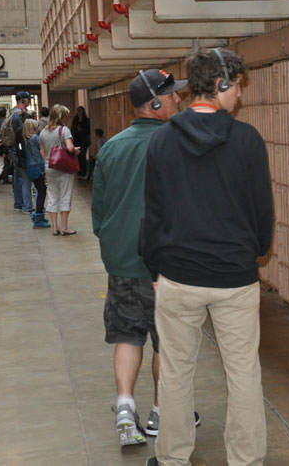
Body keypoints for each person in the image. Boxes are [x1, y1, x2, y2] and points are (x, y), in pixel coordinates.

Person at [140, 48, 274, 466]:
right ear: (220, 84)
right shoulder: (247, 139)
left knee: (177, 371)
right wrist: (254, 252)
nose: (240, 95)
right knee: (243, 372)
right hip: (234, 277)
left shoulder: (162, 140)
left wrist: (155, 267)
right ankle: (245, 460)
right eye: (237, 86)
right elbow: (262, 210)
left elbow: (153, 213)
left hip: (178, 276)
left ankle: (172, 458)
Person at [91, 69, 199, 447]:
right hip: (165, 265)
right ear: (154, 103)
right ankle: (159, 412)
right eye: (171, 95)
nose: (178, 100)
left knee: (127, 335)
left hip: (121, 259)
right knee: (165, 341)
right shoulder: (177, 145)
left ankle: (125, 409)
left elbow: (100, 211)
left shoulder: (112, 147)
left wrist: (116, 243)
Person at [39, 104, 79, 235]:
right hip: (64, 168)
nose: (67, 118)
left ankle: (54, 227)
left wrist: (48, 160)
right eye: (66, 115)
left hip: (49, 167)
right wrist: (75, 150)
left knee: (52, 196)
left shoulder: (43, 131)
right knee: (65, 195)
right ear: (62, 116)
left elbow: (42, 151)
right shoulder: (64, 130)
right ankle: (65, 227)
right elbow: (69, 147)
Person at [6, 91, 34, 213]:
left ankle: (18, 203)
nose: (29, 101)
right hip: (19, 149)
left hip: (14, 148)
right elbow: (23, 134)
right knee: (21, 176)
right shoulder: (19, 114)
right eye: (28, 99)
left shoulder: (13, 112)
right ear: (23, 100)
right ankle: (22, 203)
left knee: (18, 175)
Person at [23, 119, 50, 229]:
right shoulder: (35, 138)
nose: (39, 128)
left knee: (40, 190)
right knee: (42, 191)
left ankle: (39, 216)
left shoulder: (26, 139)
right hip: (37, 166)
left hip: (31, 167)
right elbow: (43, 150)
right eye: (37, 126)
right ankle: (38, 218)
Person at [71, 105, 90, 180]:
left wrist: (82, 130)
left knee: (82, 156)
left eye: (80, 110)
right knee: (77, 157)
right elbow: (73, 129)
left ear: (83, 111)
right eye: (77, 110)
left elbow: (88, 130)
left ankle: (84, 173)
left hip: (84, 141)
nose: (78, 112)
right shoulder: (75, 119)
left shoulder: (86, 119)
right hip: (77, 140)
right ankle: (79, 173)